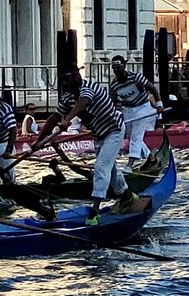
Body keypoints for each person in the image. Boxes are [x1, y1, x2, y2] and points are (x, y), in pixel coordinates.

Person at [33, 66, 142, 225]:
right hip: (98, 134)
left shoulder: (89, 87)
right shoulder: (67, 96)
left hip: (114, 130)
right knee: (110, 169)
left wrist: (67, 119)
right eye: (63, 80)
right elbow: (53, 119)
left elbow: (82, 104)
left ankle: (95, 211)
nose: (64, 83)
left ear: (76, 77)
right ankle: (127, 196)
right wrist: (37, 143)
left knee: (101, 167)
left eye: (67, 80)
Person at [109, 55, 162, 164]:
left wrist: (159, 105)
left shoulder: (135, 77)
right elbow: (112, 101)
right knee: (129, 136)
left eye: (119, 68)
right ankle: (150, 157)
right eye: (114, 68)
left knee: (136, 136)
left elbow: (152, 88)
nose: (117, 71)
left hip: (143, 108)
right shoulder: (114, 85)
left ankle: (130, 164)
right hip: (128, 110)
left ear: (124, 66)